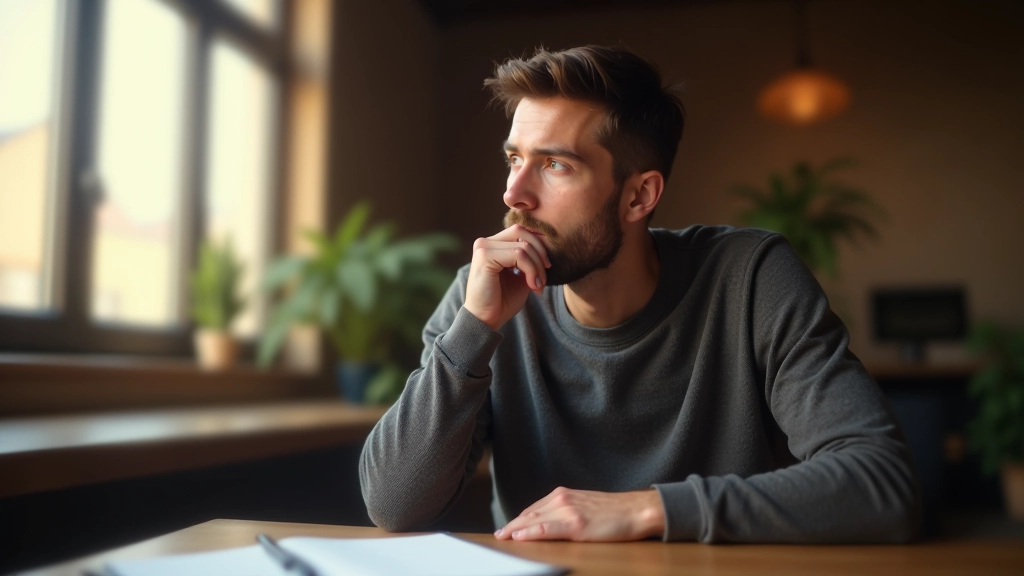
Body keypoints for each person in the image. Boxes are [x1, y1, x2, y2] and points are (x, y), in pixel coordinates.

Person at [358, 45, 921, 543]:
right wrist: (474, 330)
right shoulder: (480, 298)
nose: (515, 193)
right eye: (514, 159)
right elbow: (393, 506)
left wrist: (646, 509)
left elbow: (880, 481)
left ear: (638, 197)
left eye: (555, 165)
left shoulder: (749, 279)